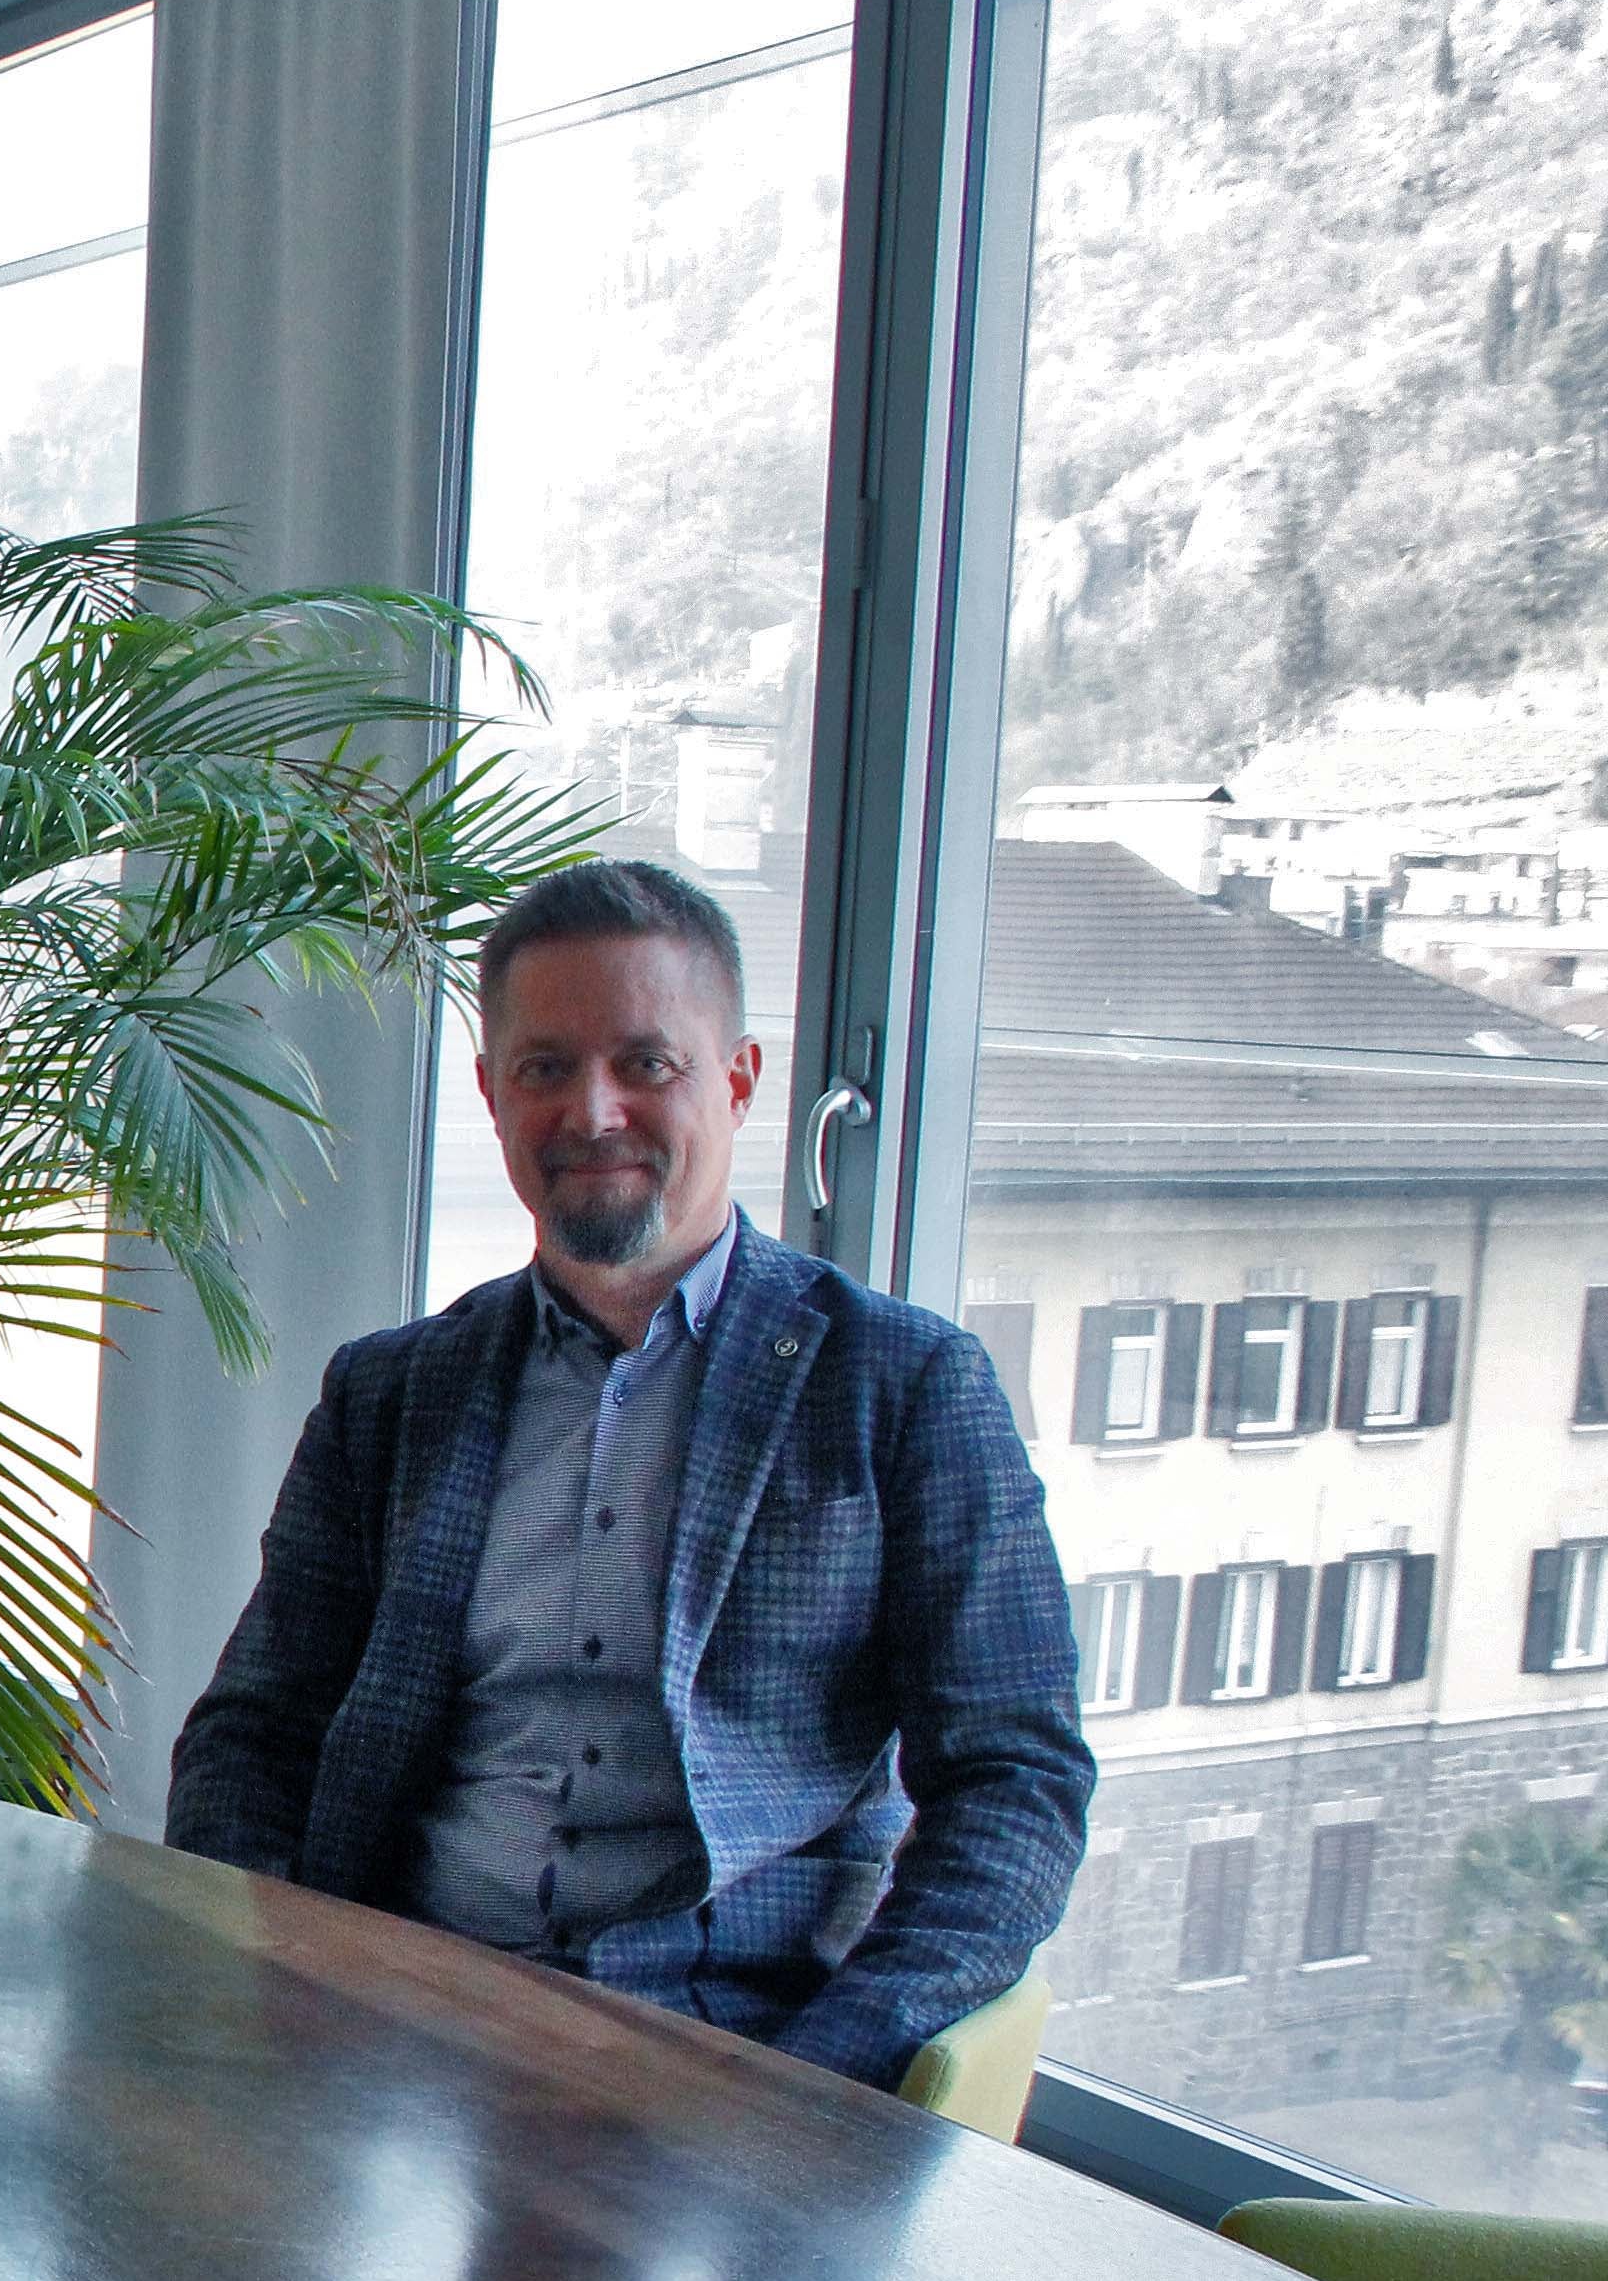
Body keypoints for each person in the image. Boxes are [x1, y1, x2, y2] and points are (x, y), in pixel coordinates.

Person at [163, 858, 1090, 2090]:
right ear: (492, 1095)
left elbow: (1017, 1782)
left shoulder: (903, 1388)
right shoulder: (388, 1396)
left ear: (740, 1082)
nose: (593, 1112)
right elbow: (252, 1734)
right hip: (393, 2033)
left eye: (645, 1063)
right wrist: (281, 1982)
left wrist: (833, 2077)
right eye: (546, 1067)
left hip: (732, 2055)